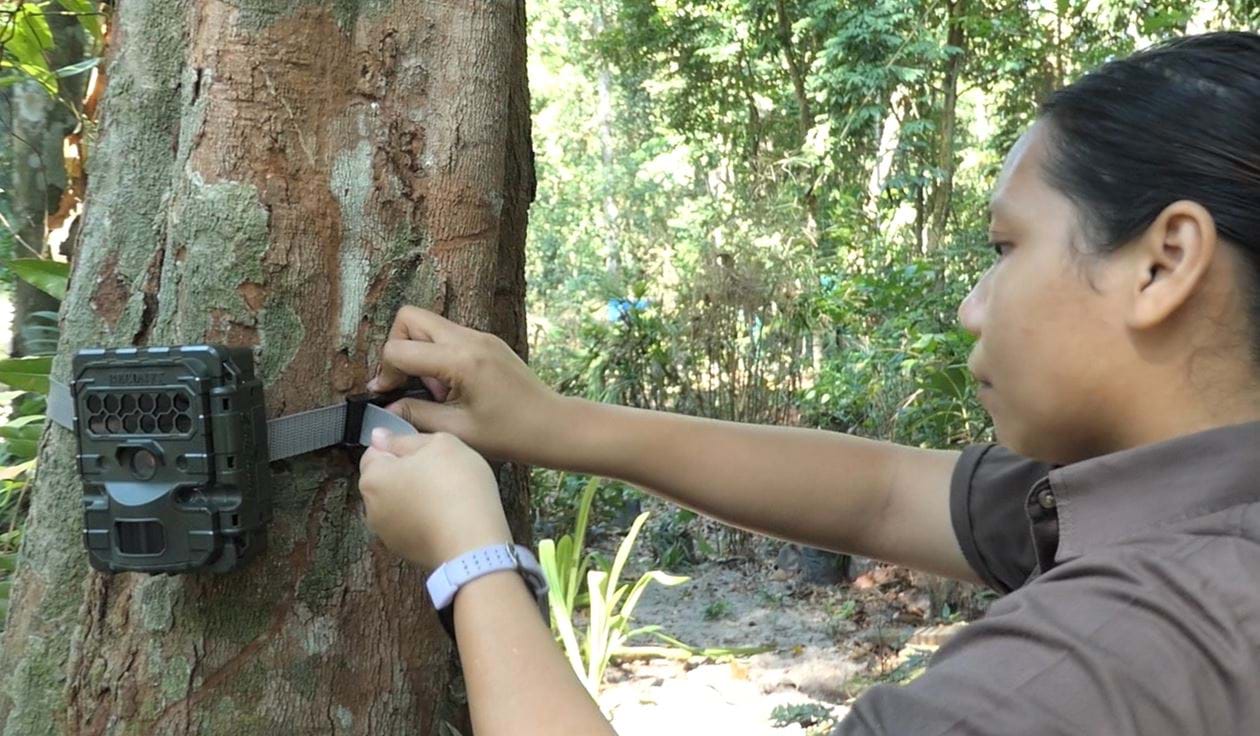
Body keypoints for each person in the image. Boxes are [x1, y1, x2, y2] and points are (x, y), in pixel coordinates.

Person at [355, 31, 1260, 735]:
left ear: (1163, 264)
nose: (973, 310)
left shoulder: (1097, 661)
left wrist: (471, 561)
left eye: (1004, 249)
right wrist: (549, 422)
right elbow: (883, 496)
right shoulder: (1193, 504)